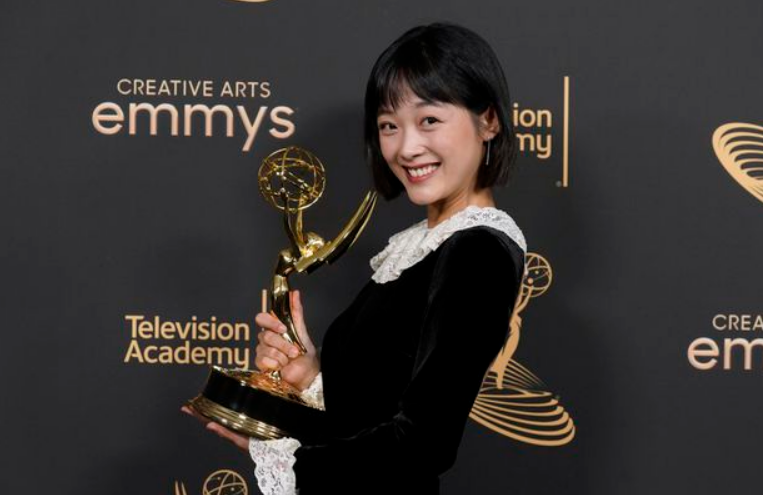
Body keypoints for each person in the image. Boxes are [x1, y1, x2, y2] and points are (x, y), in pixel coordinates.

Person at [183, 22, 528, 495]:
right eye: (389, 126)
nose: (406, 148)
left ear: (488, 120)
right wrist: (309, 379)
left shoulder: (478, 252)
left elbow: (423, 445)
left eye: (429, 120)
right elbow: (368, 420)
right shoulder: (427, 244)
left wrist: (290, 465)